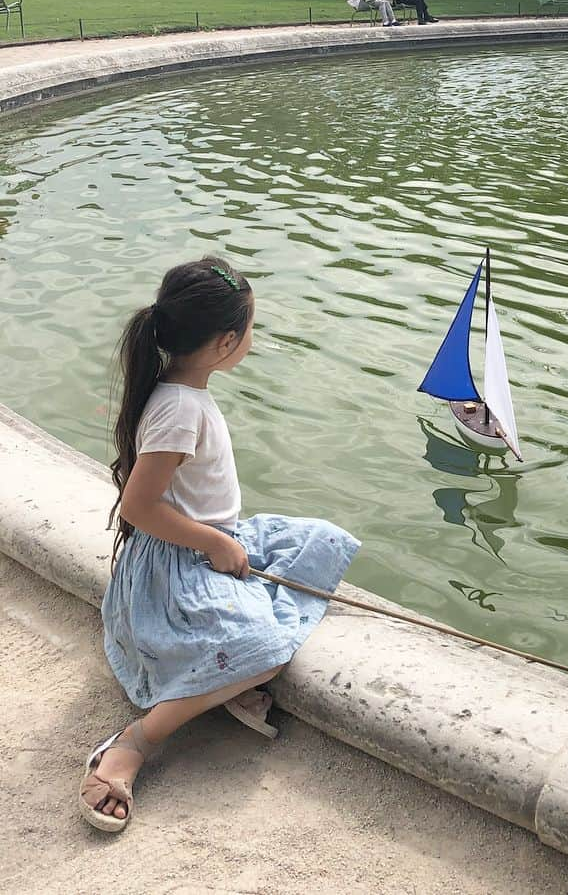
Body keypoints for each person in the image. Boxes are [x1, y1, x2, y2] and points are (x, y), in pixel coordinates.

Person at [80, 257, 359, 831]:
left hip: (204, 541)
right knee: (266, 645)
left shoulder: (180, 392)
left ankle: (215, 680)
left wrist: (217, 539)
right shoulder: (181, 409)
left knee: (322, 543)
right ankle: (137, 741)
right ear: (227, 341)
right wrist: (211, 543)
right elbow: (138, 507)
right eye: (251, 328)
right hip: (178, 563)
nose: (252, 339)